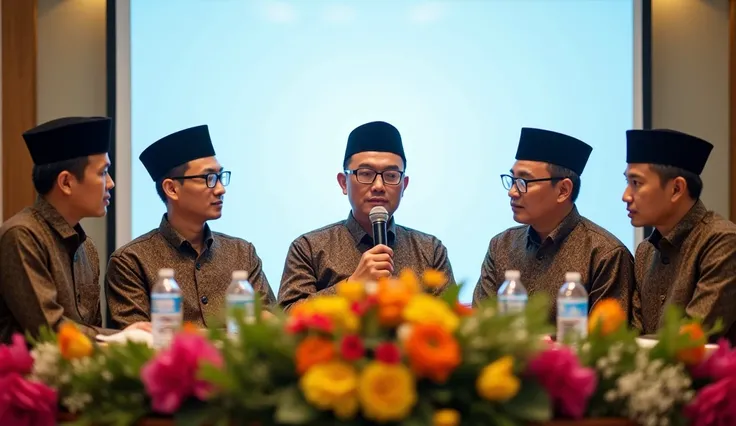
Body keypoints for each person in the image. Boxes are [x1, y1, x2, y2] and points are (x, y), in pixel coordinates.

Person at [105, 125, 275, 328]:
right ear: (171, 188)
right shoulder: (132, 261)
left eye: (221, 177)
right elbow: (136, 342)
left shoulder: (242, 253)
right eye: (209, 178)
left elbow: (271, 325)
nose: (221, 189)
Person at [0, 117, 150, 343]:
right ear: (66, 182)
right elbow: (49, 330)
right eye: (102, 173)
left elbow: (91, 328)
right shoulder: (22, 235)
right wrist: (123, 337)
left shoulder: (86, 247)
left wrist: (122, 337)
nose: (110, 183)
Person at [278, 121, 455, 310]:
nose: (378, 186)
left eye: (391, 175)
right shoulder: (309, 248)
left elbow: (451, 321)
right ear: (343, 183)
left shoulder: (430, 250)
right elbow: (286, 317)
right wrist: (352, 286)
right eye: (365, 173)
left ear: (404, 185)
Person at [473, 127, 634, 321]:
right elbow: (481, 326)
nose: (512, 192)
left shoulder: (604, 254)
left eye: (524, 181)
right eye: (512, 179)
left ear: (563, 190)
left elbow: (606, 341)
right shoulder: (501, 246)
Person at [624, 129, 736, 341]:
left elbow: (691, 339)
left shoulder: (723, 241)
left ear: (676, 189)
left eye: (636, 183)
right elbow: (634, 335)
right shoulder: (645, 251)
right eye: (627, 182)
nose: (626, 196)